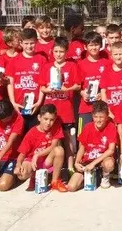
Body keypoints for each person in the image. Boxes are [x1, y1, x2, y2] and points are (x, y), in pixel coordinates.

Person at [38, 37, 81, 171]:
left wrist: (66, 89)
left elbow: (78, 85)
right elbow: (42, 87)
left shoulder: (72, 66)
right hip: (51, 110)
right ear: (52, 51)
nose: (58, 54)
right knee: (50, 140)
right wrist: (48, 89)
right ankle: (48, 167)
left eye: (61, 51)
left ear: (66, 52)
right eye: (56, 51)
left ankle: (69, 168)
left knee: (68, 141)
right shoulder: (47, 67)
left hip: (66, 110)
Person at [14, 104, 67, 192]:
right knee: (21, 174)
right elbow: (22, 154)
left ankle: (55, 181)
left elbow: (53, 146)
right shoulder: (31, 133)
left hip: (47, 161)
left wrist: (37, 154)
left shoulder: (56, 126)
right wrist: (18, 165)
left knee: (59, 150)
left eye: (51, 120)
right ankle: (33, 176)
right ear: (39, 118)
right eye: (45, 119)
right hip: (32, 162)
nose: (48, 123)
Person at [67, 100, 116, 191]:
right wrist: (76, 162)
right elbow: (82, 147)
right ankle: (91, 178)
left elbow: (111, 150)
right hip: (88, 160)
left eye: (101, 117)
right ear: (92, 116)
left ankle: (105, 176)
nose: (98, 120)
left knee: (109, 164)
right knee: (71, 187)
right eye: (96, 117)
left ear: (106, 116)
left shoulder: (111, 126)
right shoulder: (88, 127)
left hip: (102, 160)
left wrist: (93, 164)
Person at [7, 28, 47, 130]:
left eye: (32, 43)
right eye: (26, 43)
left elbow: (43, 83)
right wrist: (13, 102)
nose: (29, 46)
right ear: (21, 43)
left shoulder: (42, 59)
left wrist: (39, 102)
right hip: (19, 106)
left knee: (35, 135)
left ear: (36, 42)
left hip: (36, 106)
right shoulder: (14, 61)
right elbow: (10, 83)